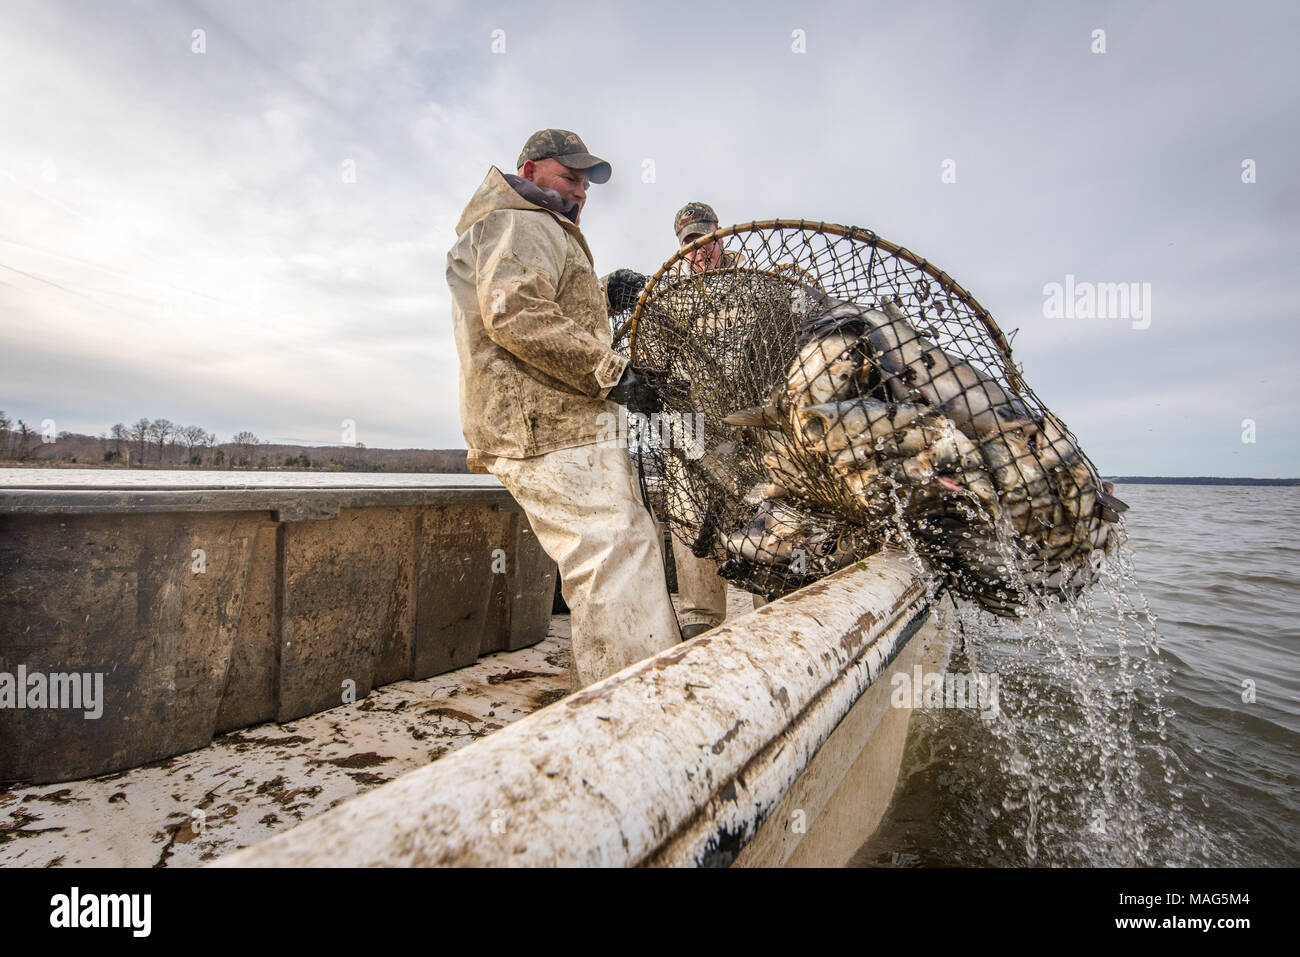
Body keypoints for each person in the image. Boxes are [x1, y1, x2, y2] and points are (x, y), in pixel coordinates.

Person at [445, 129, 680, 689]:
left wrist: (602, 289)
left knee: (622, 543)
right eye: (568, 176)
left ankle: (641, 693)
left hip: (560, 423)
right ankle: (638, 710)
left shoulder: (530, 225)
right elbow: (516, 313)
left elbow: (539, 295)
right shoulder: (520, 219)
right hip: (543, 425)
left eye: (586, 182)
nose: (579, 190)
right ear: (529, 168)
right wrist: (613, 372)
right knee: (612, 553)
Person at [663, 202, 766, 639]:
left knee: (766, 519)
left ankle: (776, 613)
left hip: (753, 431)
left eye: (707, 239)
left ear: (722, 235)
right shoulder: (669, 298)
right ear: (682, 248)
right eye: (691, 243)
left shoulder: (760, 283)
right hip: (692, 432)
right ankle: (701, 622)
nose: (700, 250)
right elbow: (653, 359)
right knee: (689, 518)